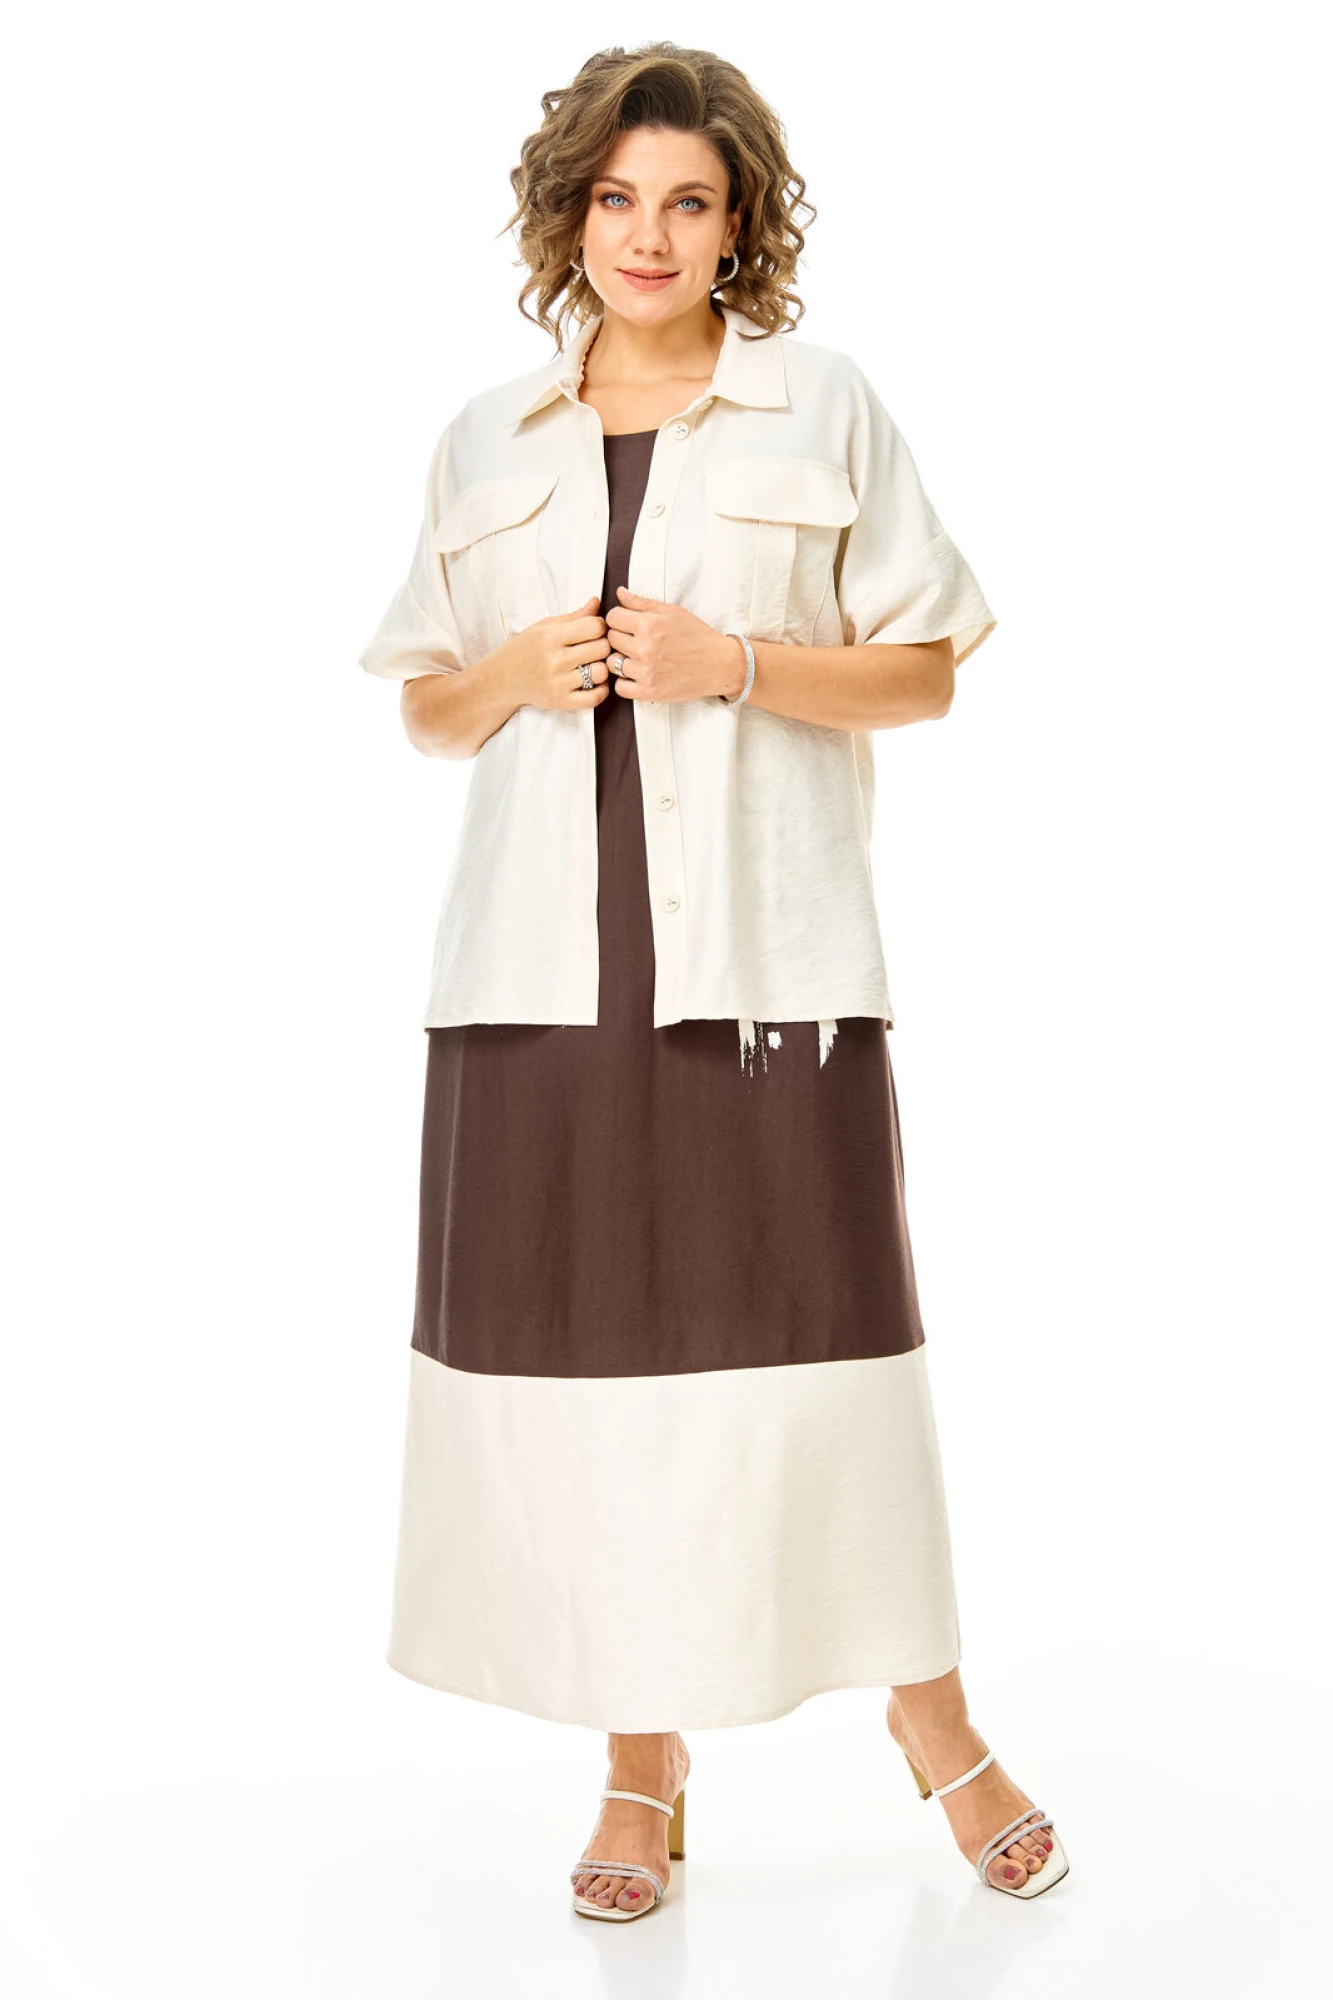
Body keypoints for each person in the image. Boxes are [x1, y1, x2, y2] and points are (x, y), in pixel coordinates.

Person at [358, 41, 1068, 1919]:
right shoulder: (483, 441)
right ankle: (638, 1762)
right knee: (601, 1363)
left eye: (687, 200)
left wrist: (732, 663)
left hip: (766, 969)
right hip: (538, 974)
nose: (649, 235)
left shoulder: (820, 404)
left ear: (740, 221)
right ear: (568, 215)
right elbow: (427, 707)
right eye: (616, 198)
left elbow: (927, 669)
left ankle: (934, 1720)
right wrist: (514, 674)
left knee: (827, 1334)